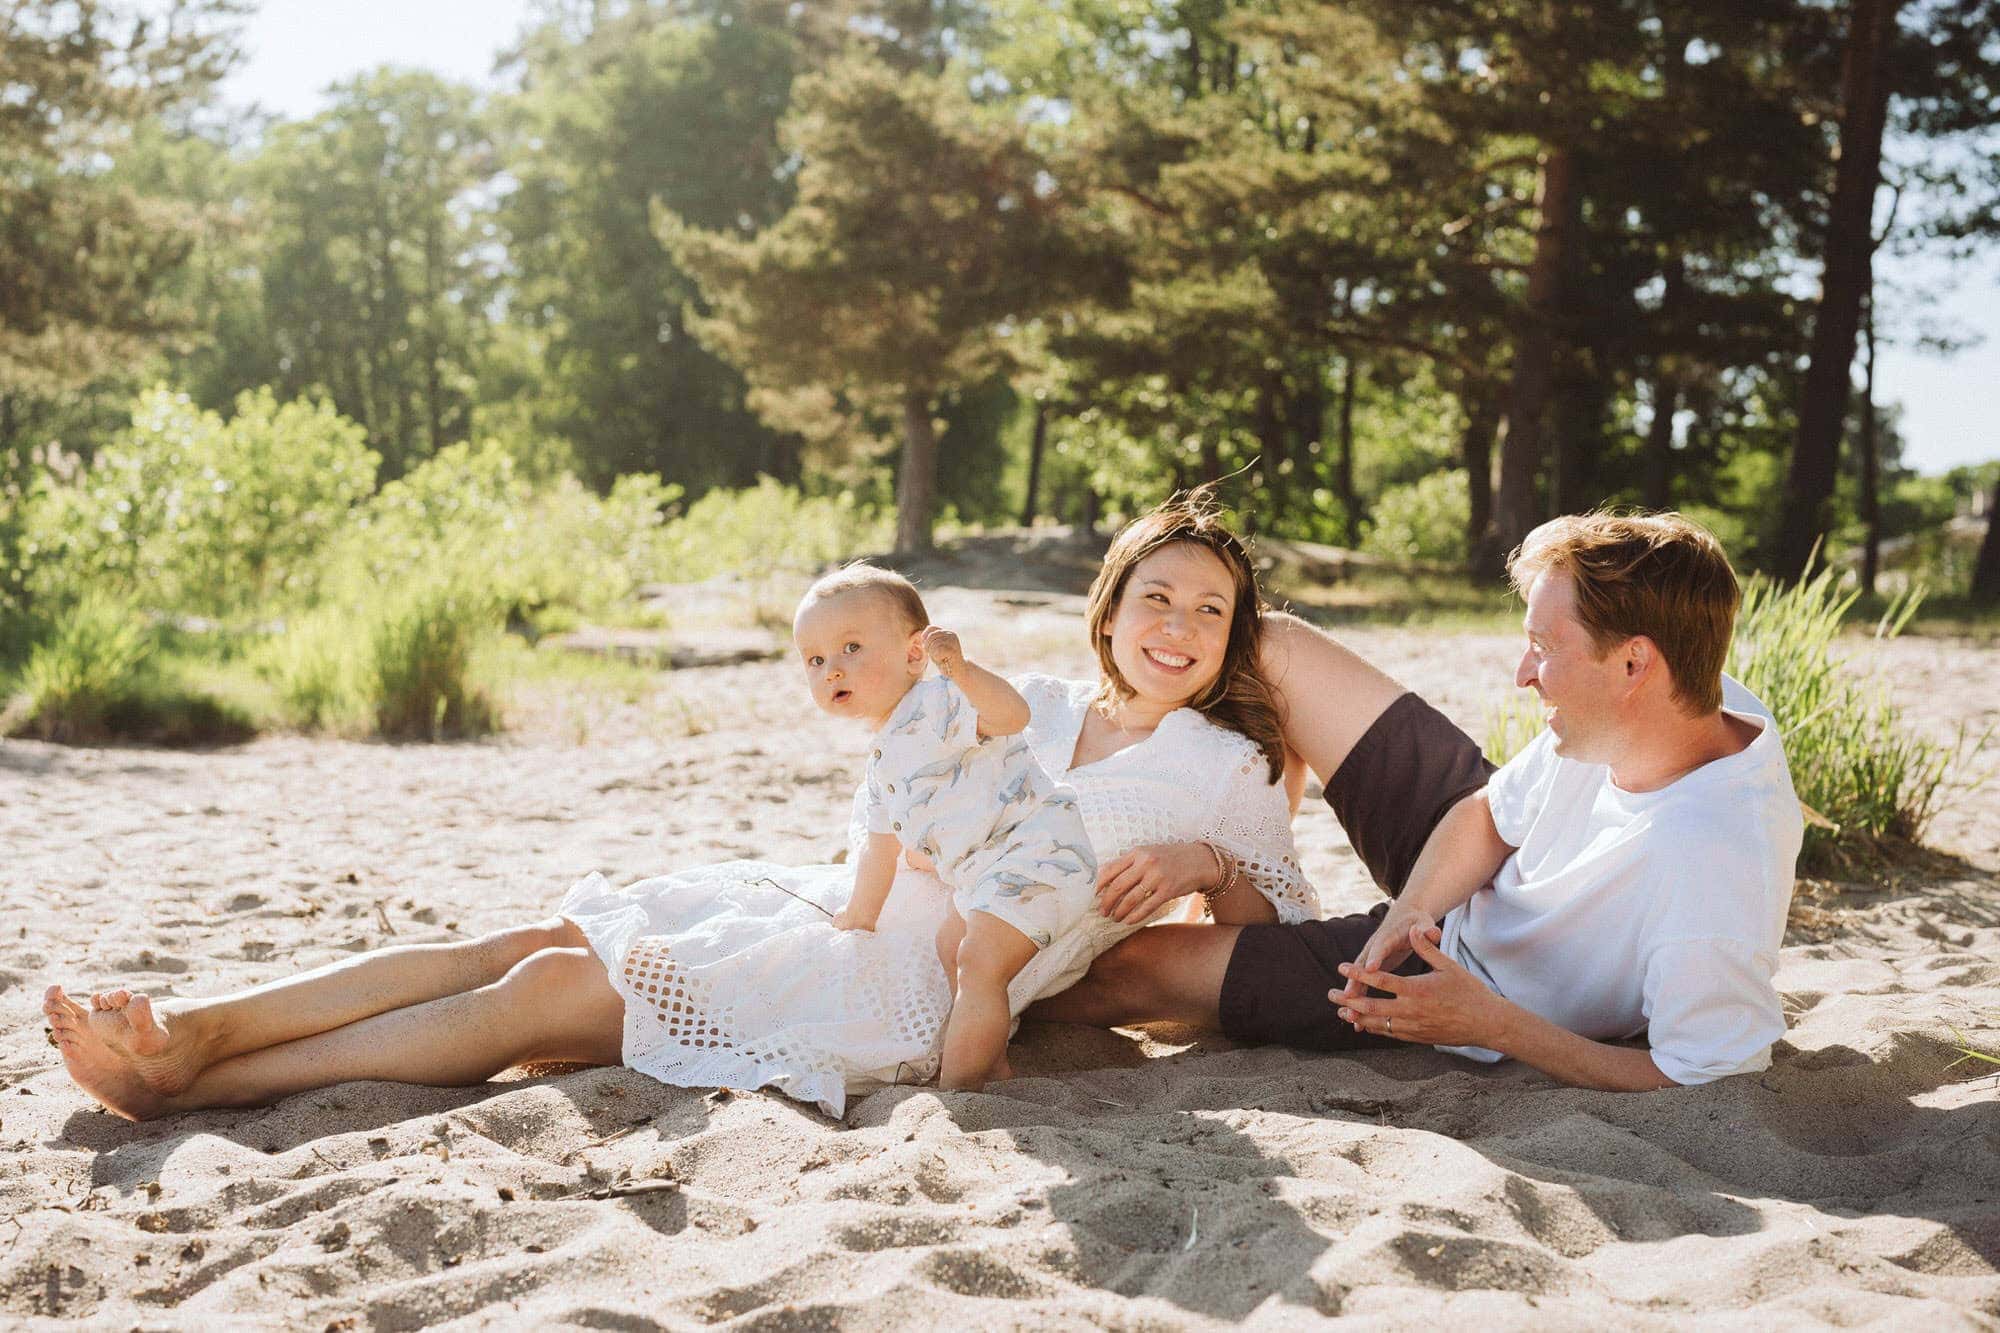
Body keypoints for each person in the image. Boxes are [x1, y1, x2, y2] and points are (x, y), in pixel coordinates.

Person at [42, 487, 1315, 1120]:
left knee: (538, 1003)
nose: (1180, 627)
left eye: (1209, 609)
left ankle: (187, 1088)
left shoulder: (1226, 762)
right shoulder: (1021, 695)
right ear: (1110, 608)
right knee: (532, 940)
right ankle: (202, 1028)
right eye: (1158, 596)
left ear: (1231, 636)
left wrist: (1205, 855)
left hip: (903, 985)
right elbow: (893, 779)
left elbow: (1266, 933)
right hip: (835, 905)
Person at [1031, 510, 1805, 1091]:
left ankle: (983, 971)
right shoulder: (1678, 696)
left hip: (1472, 986)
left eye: (1542, 648)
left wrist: (1491, 1023)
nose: (1521, 675)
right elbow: (1485, 813)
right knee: (1268, 649)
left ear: (1634, 663)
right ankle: (1235, 855)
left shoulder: (1713, 863)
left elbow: (1702, 1076)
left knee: (1132, 965)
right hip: (1462, 875)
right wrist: (1410, 910)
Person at [791, 564, 1097, 1089]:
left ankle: (961, 1088)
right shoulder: (882, 758)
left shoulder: (940, 703)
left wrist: (962, 670)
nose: (832, 671)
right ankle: (993, 1060)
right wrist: (859, 917)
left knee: (978, 960)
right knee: (950, 947)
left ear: (915, 654)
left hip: (1038, 850)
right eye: (816, 660)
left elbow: (1013, 716)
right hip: (984, 874)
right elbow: (878, 850)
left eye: (850, 649)